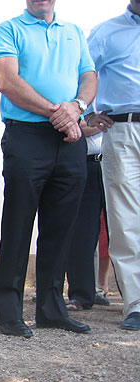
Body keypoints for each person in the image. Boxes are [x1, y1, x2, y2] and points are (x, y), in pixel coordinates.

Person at [0, 0, 97, 338]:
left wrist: (76, 106)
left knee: (61, 227)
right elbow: (6, 80)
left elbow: (89, 76)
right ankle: (8, 309)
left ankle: (51, 309)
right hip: (27, 135)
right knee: (18, 223)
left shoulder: (74, 32)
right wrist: (58, 112)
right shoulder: (9, 29)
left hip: (70, 139)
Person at [86, 0, 140, 331]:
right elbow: (83, 71)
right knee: (125, 218)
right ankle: (135, 303)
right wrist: (86, 111)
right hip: (122, 130)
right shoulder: (106, 32)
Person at [64, 127, 105, 311]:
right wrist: (98, 124)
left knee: (125, 229)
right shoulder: (78, 98)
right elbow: (72, 125)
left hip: (119, 159)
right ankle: (80, 294)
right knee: (82, 233)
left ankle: (132, 296)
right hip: (85, 162)